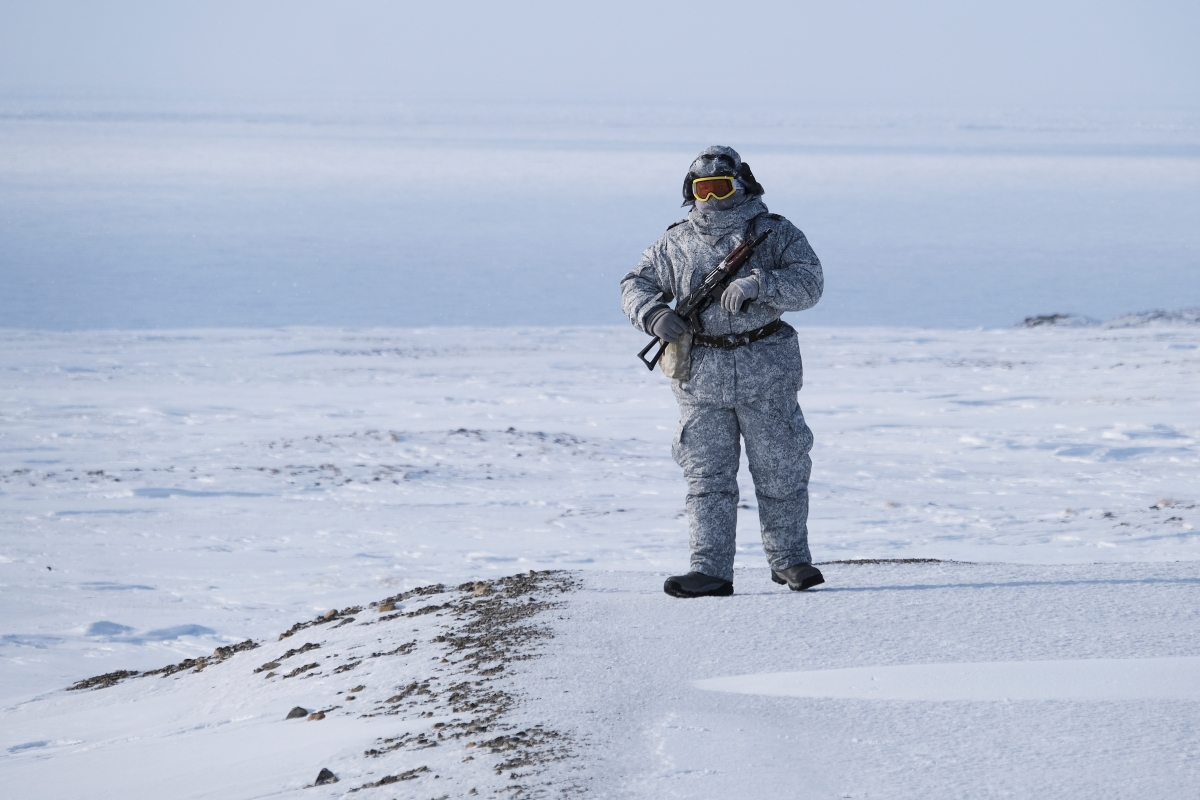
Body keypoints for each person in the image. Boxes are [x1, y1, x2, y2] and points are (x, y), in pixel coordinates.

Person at [620, 145, 825, 598]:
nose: (711, 199)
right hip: (701, 374)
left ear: (742, 186)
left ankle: (790, 561)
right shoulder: (674, 243)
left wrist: (761, 284)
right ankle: (709, 569)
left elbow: (811, 283)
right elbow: (634, 283)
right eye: (702, 189)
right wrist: (653, 314)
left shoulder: (774, 234)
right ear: (690, 192)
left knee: (782, 468)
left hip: (765, 369)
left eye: (721, 187)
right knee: (706, 476)